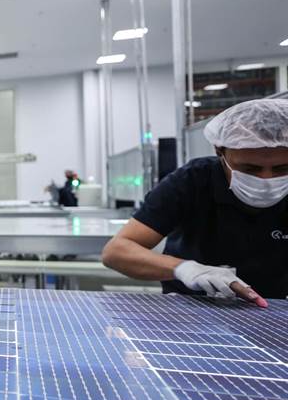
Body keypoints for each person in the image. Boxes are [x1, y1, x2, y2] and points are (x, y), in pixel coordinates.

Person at [102, 98, 288, 306]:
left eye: (282, 169)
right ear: (220, 151)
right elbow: (116, 252)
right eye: (249, 169)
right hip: (190, 306)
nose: (266, 179)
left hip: (274, 307)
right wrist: (187, 269)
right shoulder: (191, 181)